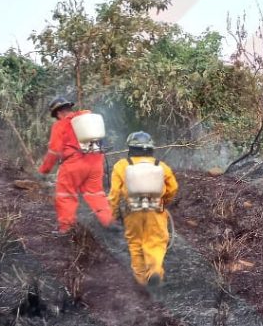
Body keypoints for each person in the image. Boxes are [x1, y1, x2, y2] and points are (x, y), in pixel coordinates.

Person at [107, 131, 178, 287]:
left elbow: (114, 194)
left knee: (136, 245)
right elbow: (173, 187)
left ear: (131, 148)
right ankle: (154, 271)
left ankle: (141, 281)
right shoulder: (161, 166)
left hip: (132, 212)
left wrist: (112, 215)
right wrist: (164, 201)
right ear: (150, 149)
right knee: (156, 242)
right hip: (156, 211)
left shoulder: (121, 165)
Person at [37, 96, 114, 233]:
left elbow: (54, 151)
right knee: (96, 194)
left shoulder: (61, 124)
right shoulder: (86, 117)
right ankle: (109, 223)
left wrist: (44, 170)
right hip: (96, 161)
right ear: (69, 108)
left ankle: (66, 229)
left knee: (65, 195)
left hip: (74, 164)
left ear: (58, 113)